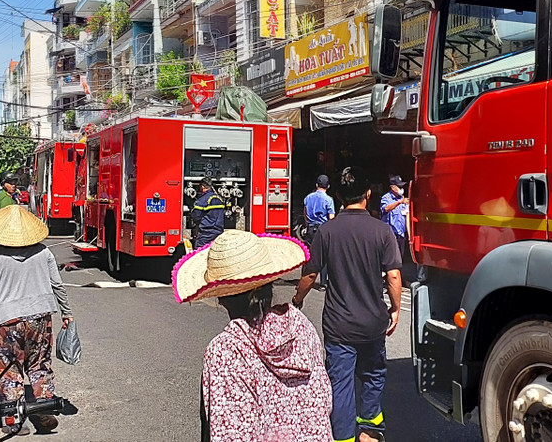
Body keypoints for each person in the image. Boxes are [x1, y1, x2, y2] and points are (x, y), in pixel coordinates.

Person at [171, 230, 331, 441]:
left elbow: (230, 432)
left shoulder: (225, 351)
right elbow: (323, 399)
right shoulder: (301, 326)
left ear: (221, 299)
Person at [293, 167, 402, 442]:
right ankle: (370, 430)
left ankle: (343, 438)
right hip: (373, 322)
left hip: (339, 325)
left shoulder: (327, 231)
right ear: (368, 193)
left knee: (340, 384)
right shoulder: (382, 231)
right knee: (374, 375)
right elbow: (393, 275)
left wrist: (296, 300)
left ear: (339, 196)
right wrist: (395, 308)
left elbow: (310, 274)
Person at [0, 205, 72, 435]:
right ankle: (44, 407)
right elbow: (57, 285)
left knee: (9, 369)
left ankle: (13, 419)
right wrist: (66, 312)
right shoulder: (44, 253)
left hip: (7, 322)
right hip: (40, 318)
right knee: (39, 364)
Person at [380, 175, 418, 282]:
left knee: (399, 259)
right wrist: (399, 203)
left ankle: (398, 279)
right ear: (393, 187)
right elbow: (386, 209)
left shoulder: (403, 199)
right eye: (399, 187)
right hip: (390, 234)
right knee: (390, 259)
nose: (401, 189)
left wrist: (409, 235)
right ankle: (388, 279)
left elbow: (407, 216)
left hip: (401, 234)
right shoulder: (386, 198)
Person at [303, 175, 336, 288]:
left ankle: (303, 280)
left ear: (316, 185)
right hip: (323, 229)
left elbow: (305, 213)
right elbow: (331, 217)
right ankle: (322, 283)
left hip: (311, 228)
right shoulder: (329, 200)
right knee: (324, 256)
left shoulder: (308, 197)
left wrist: (307, 224)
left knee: (308, 255)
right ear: (328, 186)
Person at [190, 178, 226, 249]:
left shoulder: (202, 200)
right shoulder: (219, 199)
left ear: (202, 187)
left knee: (201, 252)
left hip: (206, 234)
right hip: (218, 233)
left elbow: (196, 216)